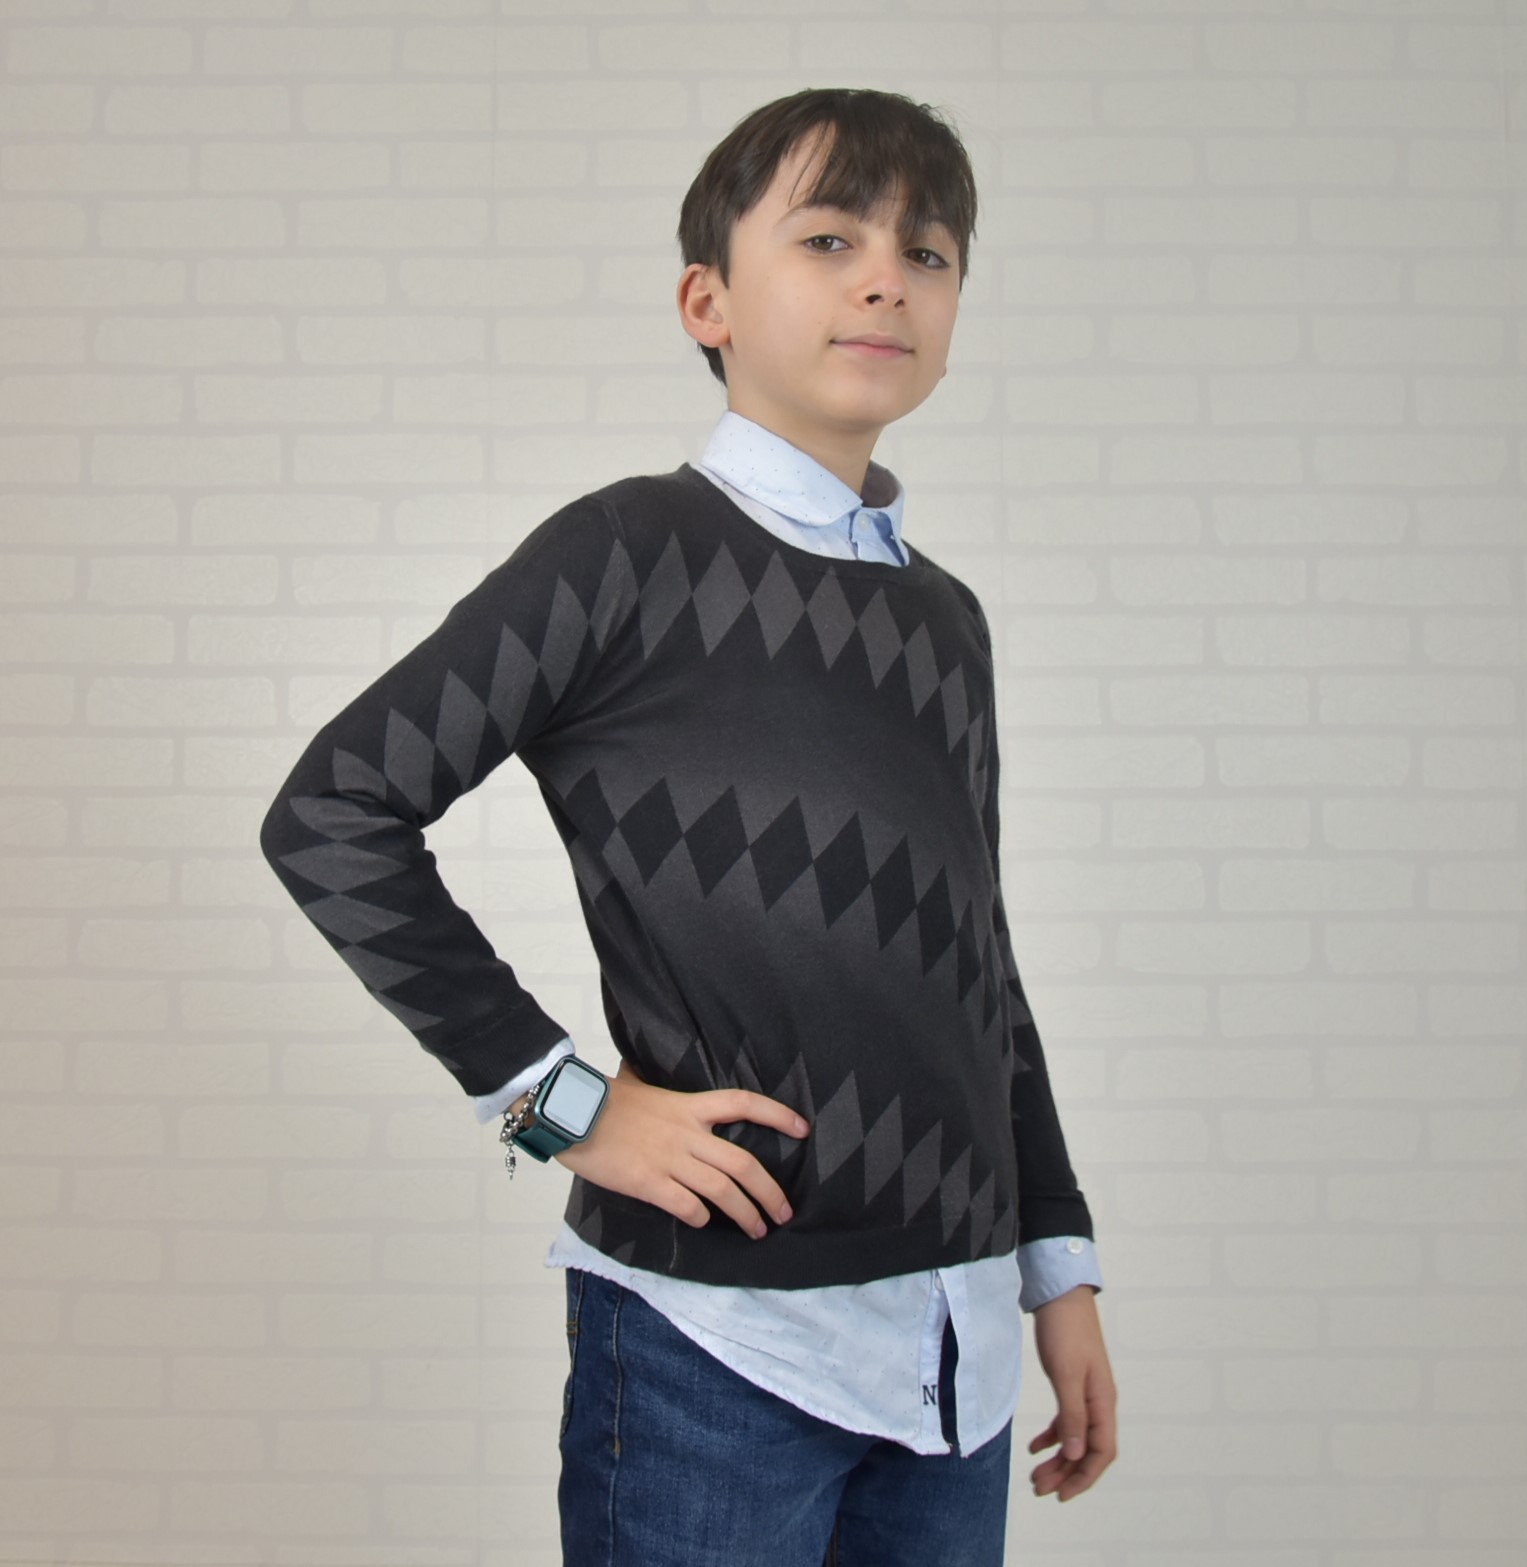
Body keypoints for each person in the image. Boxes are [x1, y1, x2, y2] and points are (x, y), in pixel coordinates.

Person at [259, 85, 1117, 1567]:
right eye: (830, 238)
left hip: (959, 1350)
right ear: (706, 301)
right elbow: (333, 810)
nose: (885, 280)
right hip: (714, 1348)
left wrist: (1058, 1262)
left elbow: (976, 958)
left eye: (927, 254)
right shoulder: (627, 553)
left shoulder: (946, 621)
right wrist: (562, 1106)